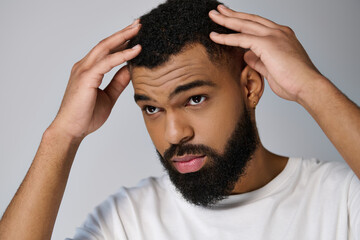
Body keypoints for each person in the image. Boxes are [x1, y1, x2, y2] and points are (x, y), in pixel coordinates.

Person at [0, 0, 359, 239]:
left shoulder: (340, 200)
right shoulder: (129, 222)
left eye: (195, 99)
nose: (173, 134)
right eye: (151, 109)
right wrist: (61, 135)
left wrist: (312, 88)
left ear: (250, 87)